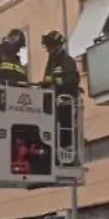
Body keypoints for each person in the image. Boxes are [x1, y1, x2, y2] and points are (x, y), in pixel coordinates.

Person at [40, 30, 80, 165]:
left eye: (51, 47)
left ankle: (66, 156)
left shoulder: (67, 61)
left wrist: (56, 84)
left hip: (64, 105)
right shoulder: (51, 62)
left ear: (58, 46)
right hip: (51, 106)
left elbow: (72, 80)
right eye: (48, 47)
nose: (49, 50)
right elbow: (47, 79)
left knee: (64, 133)